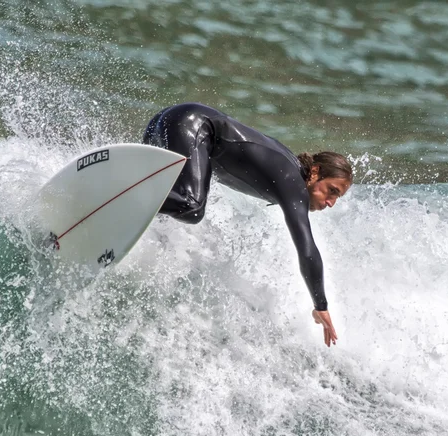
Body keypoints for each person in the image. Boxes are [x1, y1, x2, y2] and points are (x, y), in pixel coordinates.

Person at [142, 103, 352, 347]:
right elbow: (307, 249)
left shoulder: (287, 172)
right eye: (332, 191)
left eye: (337, 197)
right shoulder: (293, 182)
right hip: (192, 126)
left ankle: (115, 202)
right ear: (315, 172)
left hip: (173, 121)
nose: (331, 202)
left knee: (168, 206)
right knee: (191, 206)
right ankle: (119, 196)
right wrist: (321, 306)